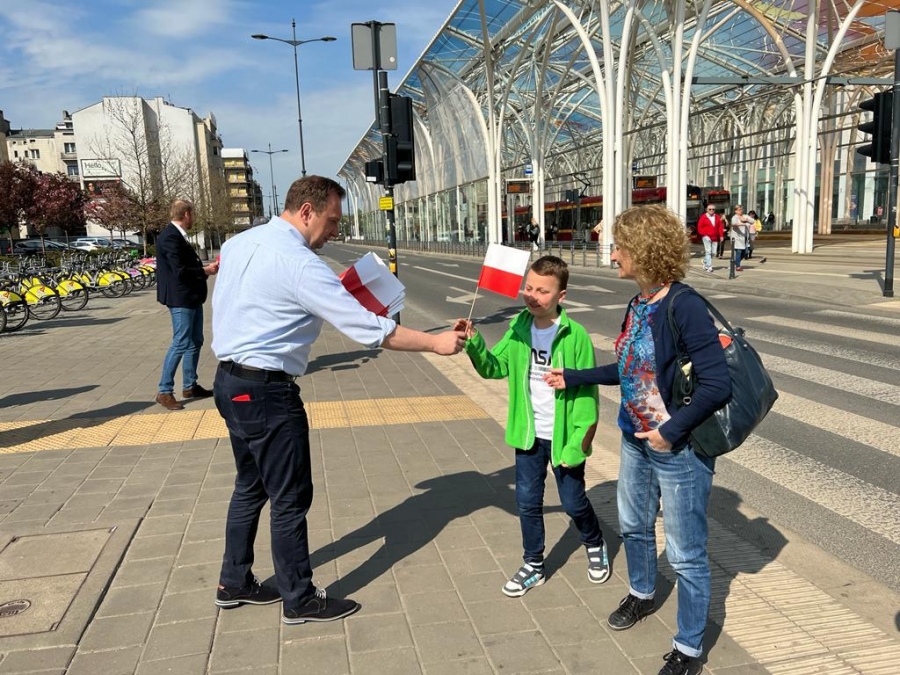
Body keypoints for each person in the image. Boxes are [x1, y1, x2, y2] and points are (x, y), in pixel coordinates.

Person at [211, 175, 466, 626]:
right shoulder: (301, 264)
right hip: (268, 393)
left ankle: (234, 582)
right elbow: (370, 330)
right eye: (332, 221)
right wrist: (436, 343)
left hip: (229, 383)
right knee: (290, 497)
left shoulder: (239, 243)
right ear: (306, 211)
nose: (335, 231)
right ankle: (299, 598)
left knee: (250, 486)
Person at [544, 205, 731, 675]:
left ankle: (688, 648)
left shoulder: (683, 305)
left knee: (686, 554)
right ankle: (642, 593)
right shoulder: (639, 302)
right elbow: (630, 372)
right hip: (634, 437)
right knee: (633, 525)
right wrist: (574, 376)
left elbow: (716, 385)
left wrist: (669, 432)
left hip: (677, 449)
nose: (612, 256)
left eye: (619, 247)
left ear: (644, 250)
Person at [452, 256, 610, 598]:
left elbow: (587, 395)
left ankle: (594, 541)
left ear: (561, 296)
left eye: (542, 290)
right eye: (529, 287)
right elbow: (494, 368)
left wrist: (578, 445)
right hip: (528, 435)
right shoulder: (519, 328)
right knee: (527, 502)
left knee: (573, 502)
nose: (532, 295)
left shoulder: (575, 336)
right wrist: (474, 342)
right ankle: (533, 564)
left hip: (564, 437)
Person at [155, 199, 218, 411]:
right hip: (181, 298)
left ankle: (190, 385)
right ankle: (164, 390)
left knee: (195, 341)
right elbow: (179, 270)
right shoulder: (170, 237)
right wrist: (204, 271)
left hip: (191, 297)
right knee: (181, 342)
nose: (194, 218)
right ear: (187, 214)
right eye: (193, 214)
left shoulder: (177, 235)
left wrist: (204, 269)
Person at [696, 205, 723, 273]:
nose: (711, 210)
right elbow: (699, 227)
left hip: (714, 237)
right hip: (706, 236)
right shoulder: (703, 217)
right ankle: (709, 266)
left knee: (714, 253)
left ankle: (705, 261)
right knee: (708, 251)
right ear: (707, 210)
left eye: (713, 209)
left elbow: (720, 226)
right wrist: (704, 235)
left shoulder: (717, 217)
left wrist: (721, 236)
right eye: (710, 209)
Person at [730, 205, 752, 271]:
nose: (741, 211)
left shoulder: (745, 216)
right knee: (739, 251)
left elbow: (753, 221)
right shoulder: (734, 217)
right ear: (736, 211)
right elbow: (733, 223)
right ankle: (738, 266)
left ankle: (735, 263)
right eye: (739, 210)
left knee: (745, 252)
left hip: (744, 237)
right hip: (737, 238)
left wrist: (746, 220)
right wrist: (742, 223)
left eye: (742, 209)